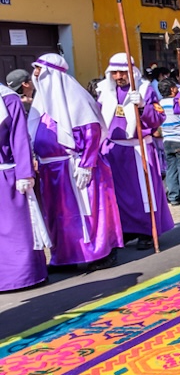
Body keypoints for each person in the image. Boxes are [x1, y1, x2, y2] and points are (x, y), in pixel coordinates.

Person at [29, 53, 122, 270]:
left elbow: (91, 133)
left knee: (87, 213)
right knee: (58, 216)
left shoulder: (76, 101)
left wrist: (86, 164)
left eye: (41, 75)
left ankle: (98, 254)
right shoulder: (41, 107)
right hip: (50, 171)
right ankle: (64, 256)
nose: (37, 79)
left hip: (76, 169)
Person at [96, 53, 174, 250]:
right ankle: (127, 228)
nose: (119, 76)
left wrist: (141, 107)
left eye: (123, 72)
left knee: (142, 194)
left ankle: (147, 230)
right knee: (119, 194)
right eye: (115, 72)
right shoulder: (105, 92)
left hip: (138, 149)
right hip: (113, 149)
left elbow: (157, 118)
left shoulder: (146, 90)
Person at [1, 80, 48, 290]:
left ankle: (24, 275)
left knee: (16, 229)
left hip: (8, 173)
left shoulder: (8, 98)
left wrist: (24, 173)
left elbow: (19, 138)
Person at [158, 79, 180, 206]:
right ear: (172, 89)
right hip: (179, 138)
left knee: (170, 168)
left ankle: (173, 196)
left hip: (166, 139)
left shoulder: (159, 104)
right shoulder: (176, 102)